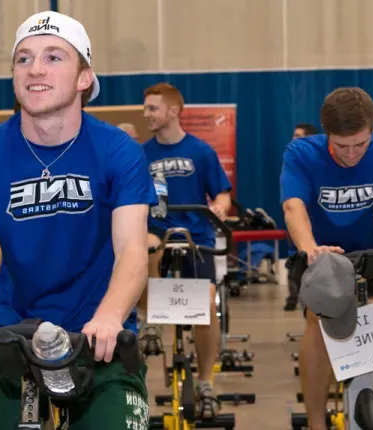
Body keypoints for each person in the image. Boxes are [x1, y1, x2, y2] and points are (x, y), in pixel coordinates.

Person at [0, 11, 155, 429]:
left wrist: (110, 315)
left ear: (84, 78)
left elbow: (133, 250)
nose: (36, 69)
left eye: (54, 57)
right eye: (24, 59)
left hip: (98, 337)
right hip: (11, 335)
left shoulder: (118, 150)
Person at [279, 87, 373, 430]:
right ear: (327, 134)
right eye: (342, 146)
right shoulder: (302, 152)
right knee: (318, 319)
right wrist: (310, 248)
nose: (353, 154)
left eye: (361, 144)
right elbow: (293, 205)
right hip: (324, 257)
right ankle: (316, 422)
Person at [138, 82, 232, 420]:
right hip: (158, 233)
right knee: (144, 244)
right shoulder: (141, 154)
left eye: (152, 108)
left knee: (207, 306)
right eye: (145, 108)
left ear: (173, 111)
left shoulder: (201, 151)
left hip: (198, 237)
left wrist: (220, 208)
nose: (145, 114)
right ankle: (149, 320)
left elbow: (221, 194)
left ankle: (206, 382)